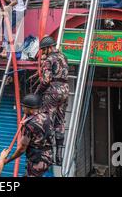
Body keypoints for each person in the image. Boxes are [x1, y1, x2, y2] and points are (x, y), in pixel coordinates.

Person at [34, 35, 69, 166]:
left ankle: (48, 154)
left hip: (52, 92)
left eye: (43, 49)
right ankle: (59, 156)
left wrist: (37, 92)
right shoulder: (63, 57)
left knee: (47, 121)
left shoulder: (49, 60)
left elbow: (46, 80)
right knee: (60, 122)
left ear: (49, 47)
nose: (42, 52)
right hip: (65, 91)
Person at [3, 94, 53, 177]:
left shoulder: (30, 125)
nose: (23, 109)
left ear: (30, 109)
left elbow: (22, 149)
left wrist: (8, 160)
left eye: (24, 107)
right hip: (48, 157)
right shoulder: (47, 116)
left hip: (37, 161)